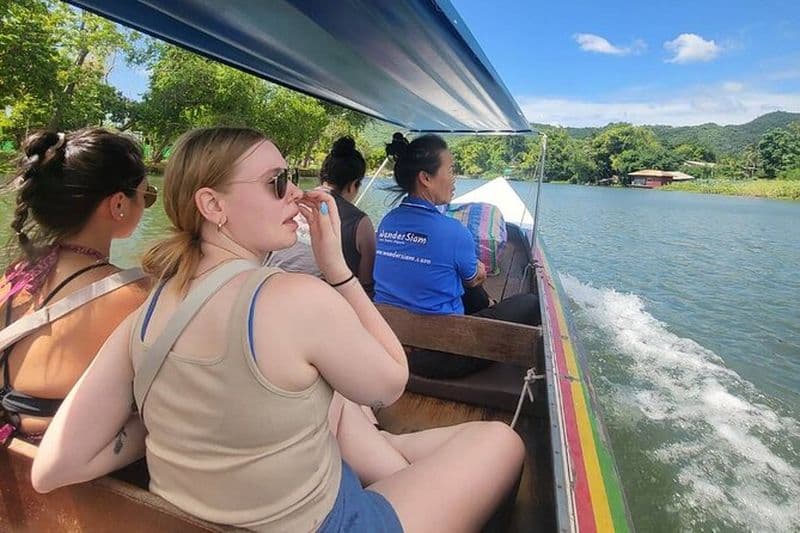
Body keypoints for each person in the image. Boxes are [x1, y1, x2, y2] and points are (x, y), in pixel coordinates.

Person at [31, 127, 525, 532]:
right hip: (330, 522)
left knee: (365, 429)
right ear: (213, 205)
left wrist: (175, 423)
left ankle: (392, 460)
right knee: (500, 442)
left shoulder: (148, 309)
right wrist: (339, 272)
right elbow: (391, 381)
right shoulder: (293, 296)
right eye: (276, 182)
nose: (296, 193)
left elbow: (54, 468)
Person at [0, 128, 154, 444]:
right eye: (146, 195)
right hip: (65, 471)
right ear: (119, 205)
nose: (147, 201)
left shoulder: (15, 275)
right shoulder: (136, 294)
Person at [373, 133, 540, 379]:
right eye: (450, 170)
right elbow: (474, 279)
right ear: (426, 178)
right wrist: (477, 270)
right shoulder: (454, 231)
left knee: (453, 277)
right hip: (440, 354)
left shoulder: (387, 222)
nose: (455, 179)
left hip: (388, 341)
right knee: (528, 303)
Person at [319, 136, 375, 296]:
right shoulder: (360, 222)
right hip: (331, 307)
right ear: (353, 184)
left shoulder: (295, 204)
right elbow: (367, 285)